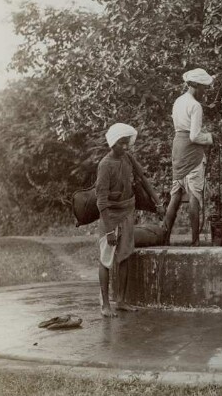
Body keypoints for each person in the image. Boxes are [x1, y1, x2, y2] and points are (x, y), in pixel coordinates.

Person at [164, 68, 215, 246]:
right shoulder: (195, 105)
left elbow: (182, 129)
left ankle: (165, 237)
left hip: (178, 148)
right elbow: (194, 136)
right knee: (194, 194)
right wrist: (209, 138)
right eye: (204, 88)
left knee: (176, 194)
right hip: (191, 151)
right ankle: (195, 240)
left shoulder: (178, 102)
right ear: (195, 86)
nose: (205, 92)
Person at [96, 123, 140, 317]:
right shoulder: (105, 165)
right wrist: (108, 230)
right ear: (113, 144)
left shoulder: (127, 158)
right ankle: (106, 304)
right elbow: (101, 201)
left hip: (127, 212)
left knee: (125, 256)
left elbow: (141, 178)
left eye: (127, 143)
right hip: (110, 217)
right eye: (122, 143)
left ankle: (121, 300)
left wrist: (157, 203)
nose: (126, 147)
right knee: (106, 260)